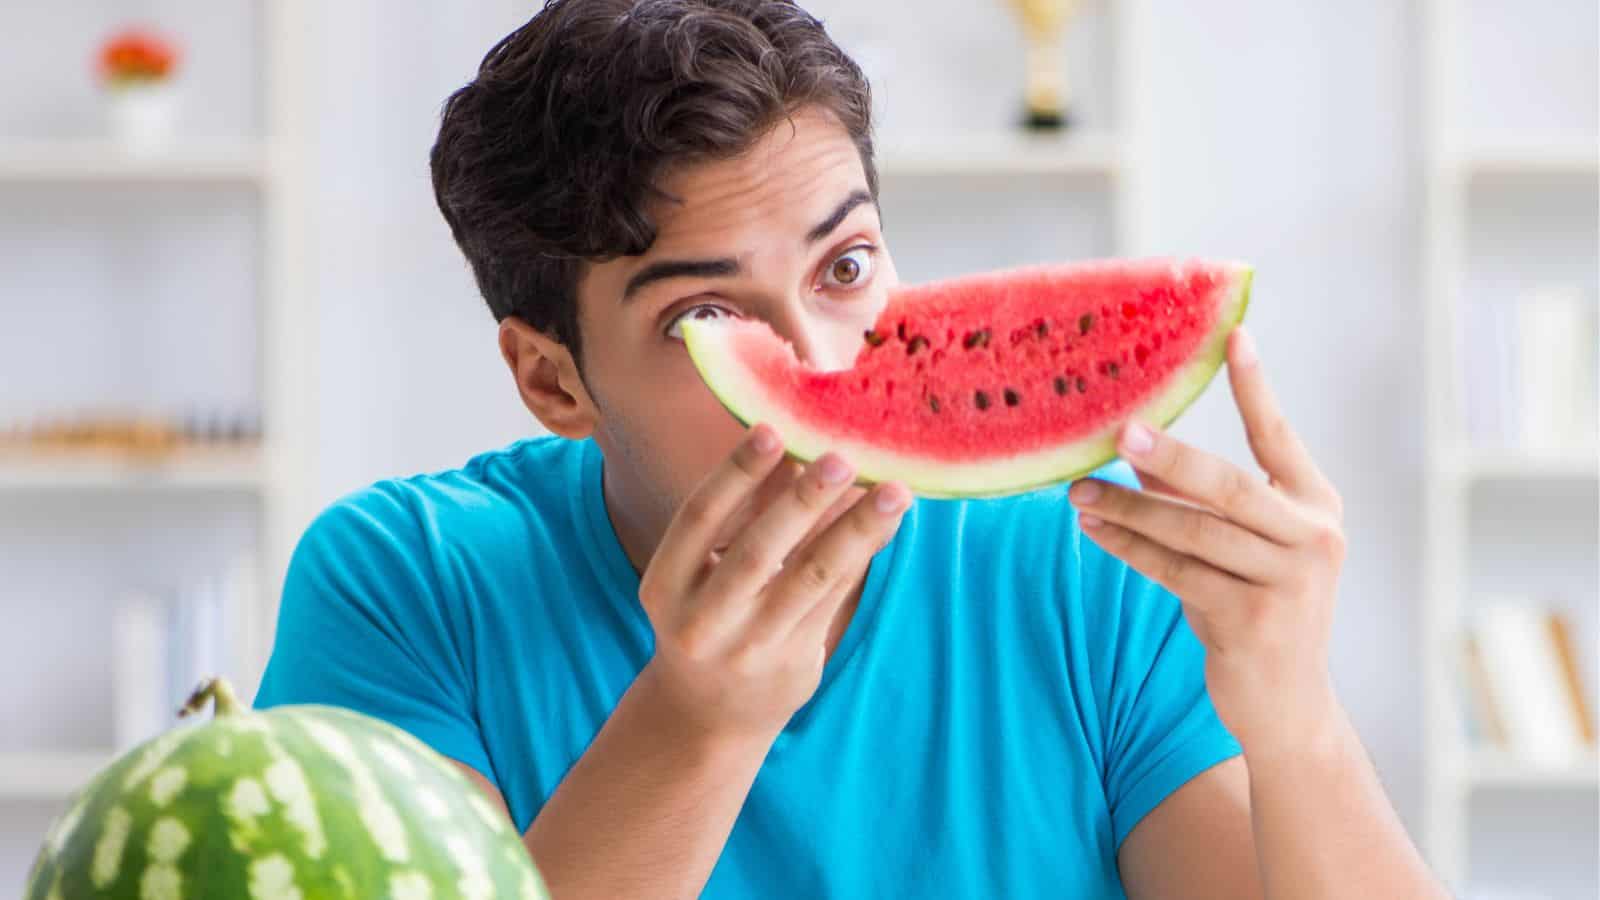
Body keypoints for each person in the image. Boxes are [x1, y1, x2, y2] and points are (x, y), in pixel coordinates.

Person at [255, 1, 1446, 897]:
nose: (822, 365)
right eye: (703, 320)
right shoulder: (406, 582)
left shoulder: (1094, 556)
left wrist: (1296, 720)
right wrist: (696, 724)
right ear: (551, 379)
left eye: (845, 267)